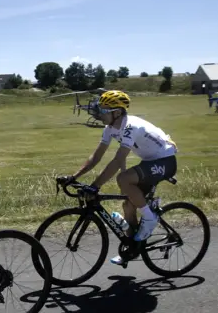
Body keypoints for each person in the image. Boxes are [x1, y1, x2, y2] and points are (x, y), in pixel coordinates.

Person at [59, 90, 178, 265]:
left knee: (123, 179)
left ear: (118, 112)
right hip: (150, 162)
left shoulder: (130, 127)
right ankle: (132, 248)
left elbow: (118, 160)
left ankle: (150, 217)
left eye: (104, 111)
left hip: (165, 161)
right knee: (128, 206)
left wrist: (95, 186)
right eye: (101, 109)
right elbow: (96, 157)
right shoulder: (110, 129)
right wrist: (73, 176)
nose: (100, 114)